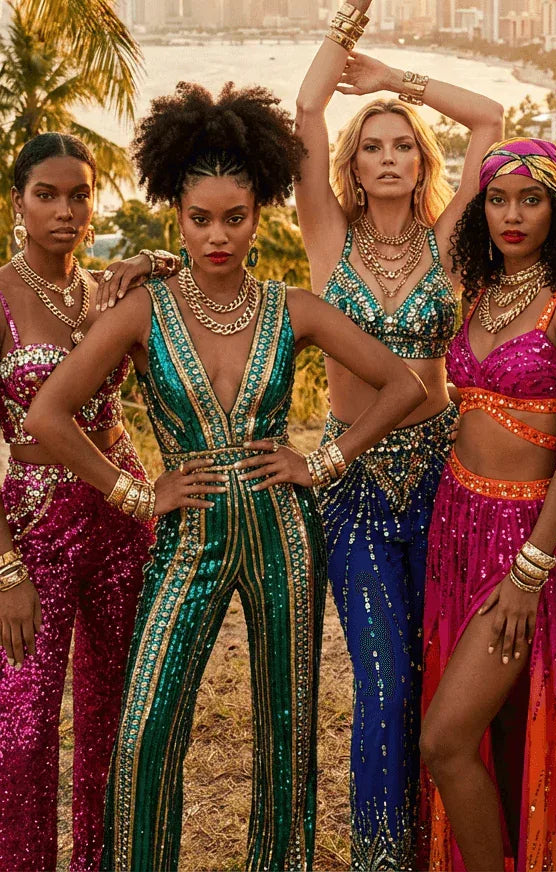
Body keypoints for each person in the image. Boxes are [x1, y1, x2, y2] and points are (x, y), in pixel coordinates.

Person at [25, 83, 426, 872]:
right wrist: (138, 492)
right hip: (185, 532)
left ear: (260, 212)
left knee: (288, 737)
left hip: (284, 530)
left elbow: (407, 387)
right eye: (200, 218)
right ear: (176, 213)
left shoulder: (293, 308)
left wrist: (324, 459)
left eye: (235, 218)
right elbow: (46, 415)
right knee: (145, 734)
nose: (218, 235)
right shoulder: (142, 310)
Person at [295, 0, 504, 870]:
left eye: (399, 146)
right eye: (369, 144)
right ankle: (382, 860)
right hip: (354, 483)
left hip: (448, 482)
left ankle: (438, 852)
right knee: (382, 688)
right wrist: (352, 9)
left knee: (435, 689)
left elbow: (493, 120)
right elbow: (305, 106)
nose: (385, 156)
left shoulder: (452, 238)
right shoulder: (328, 241)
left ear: (420, 161)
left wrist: (397, 81)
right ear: (354, 162)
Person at [419, 139, 556, 872]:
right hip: (455, 519)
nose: (512, 215)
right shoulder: (480, 291)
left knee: (445, 739)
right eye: (497, 199)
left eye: (531, 199)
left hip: (525, 536)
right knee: (491, 734)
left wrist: (531, 568)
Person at [0, 133, 160, 872]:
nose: (65, 210)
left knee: (114, 719)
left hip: (124, 523)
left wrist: (158, 262)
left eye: (79, 195)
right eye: (47, 195)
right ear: (18, 205)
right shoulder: (0, 297)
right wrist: (7, 571)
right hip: (35, 528)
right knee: (24, 730)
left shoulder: (109, 293)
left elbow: (208, 286)